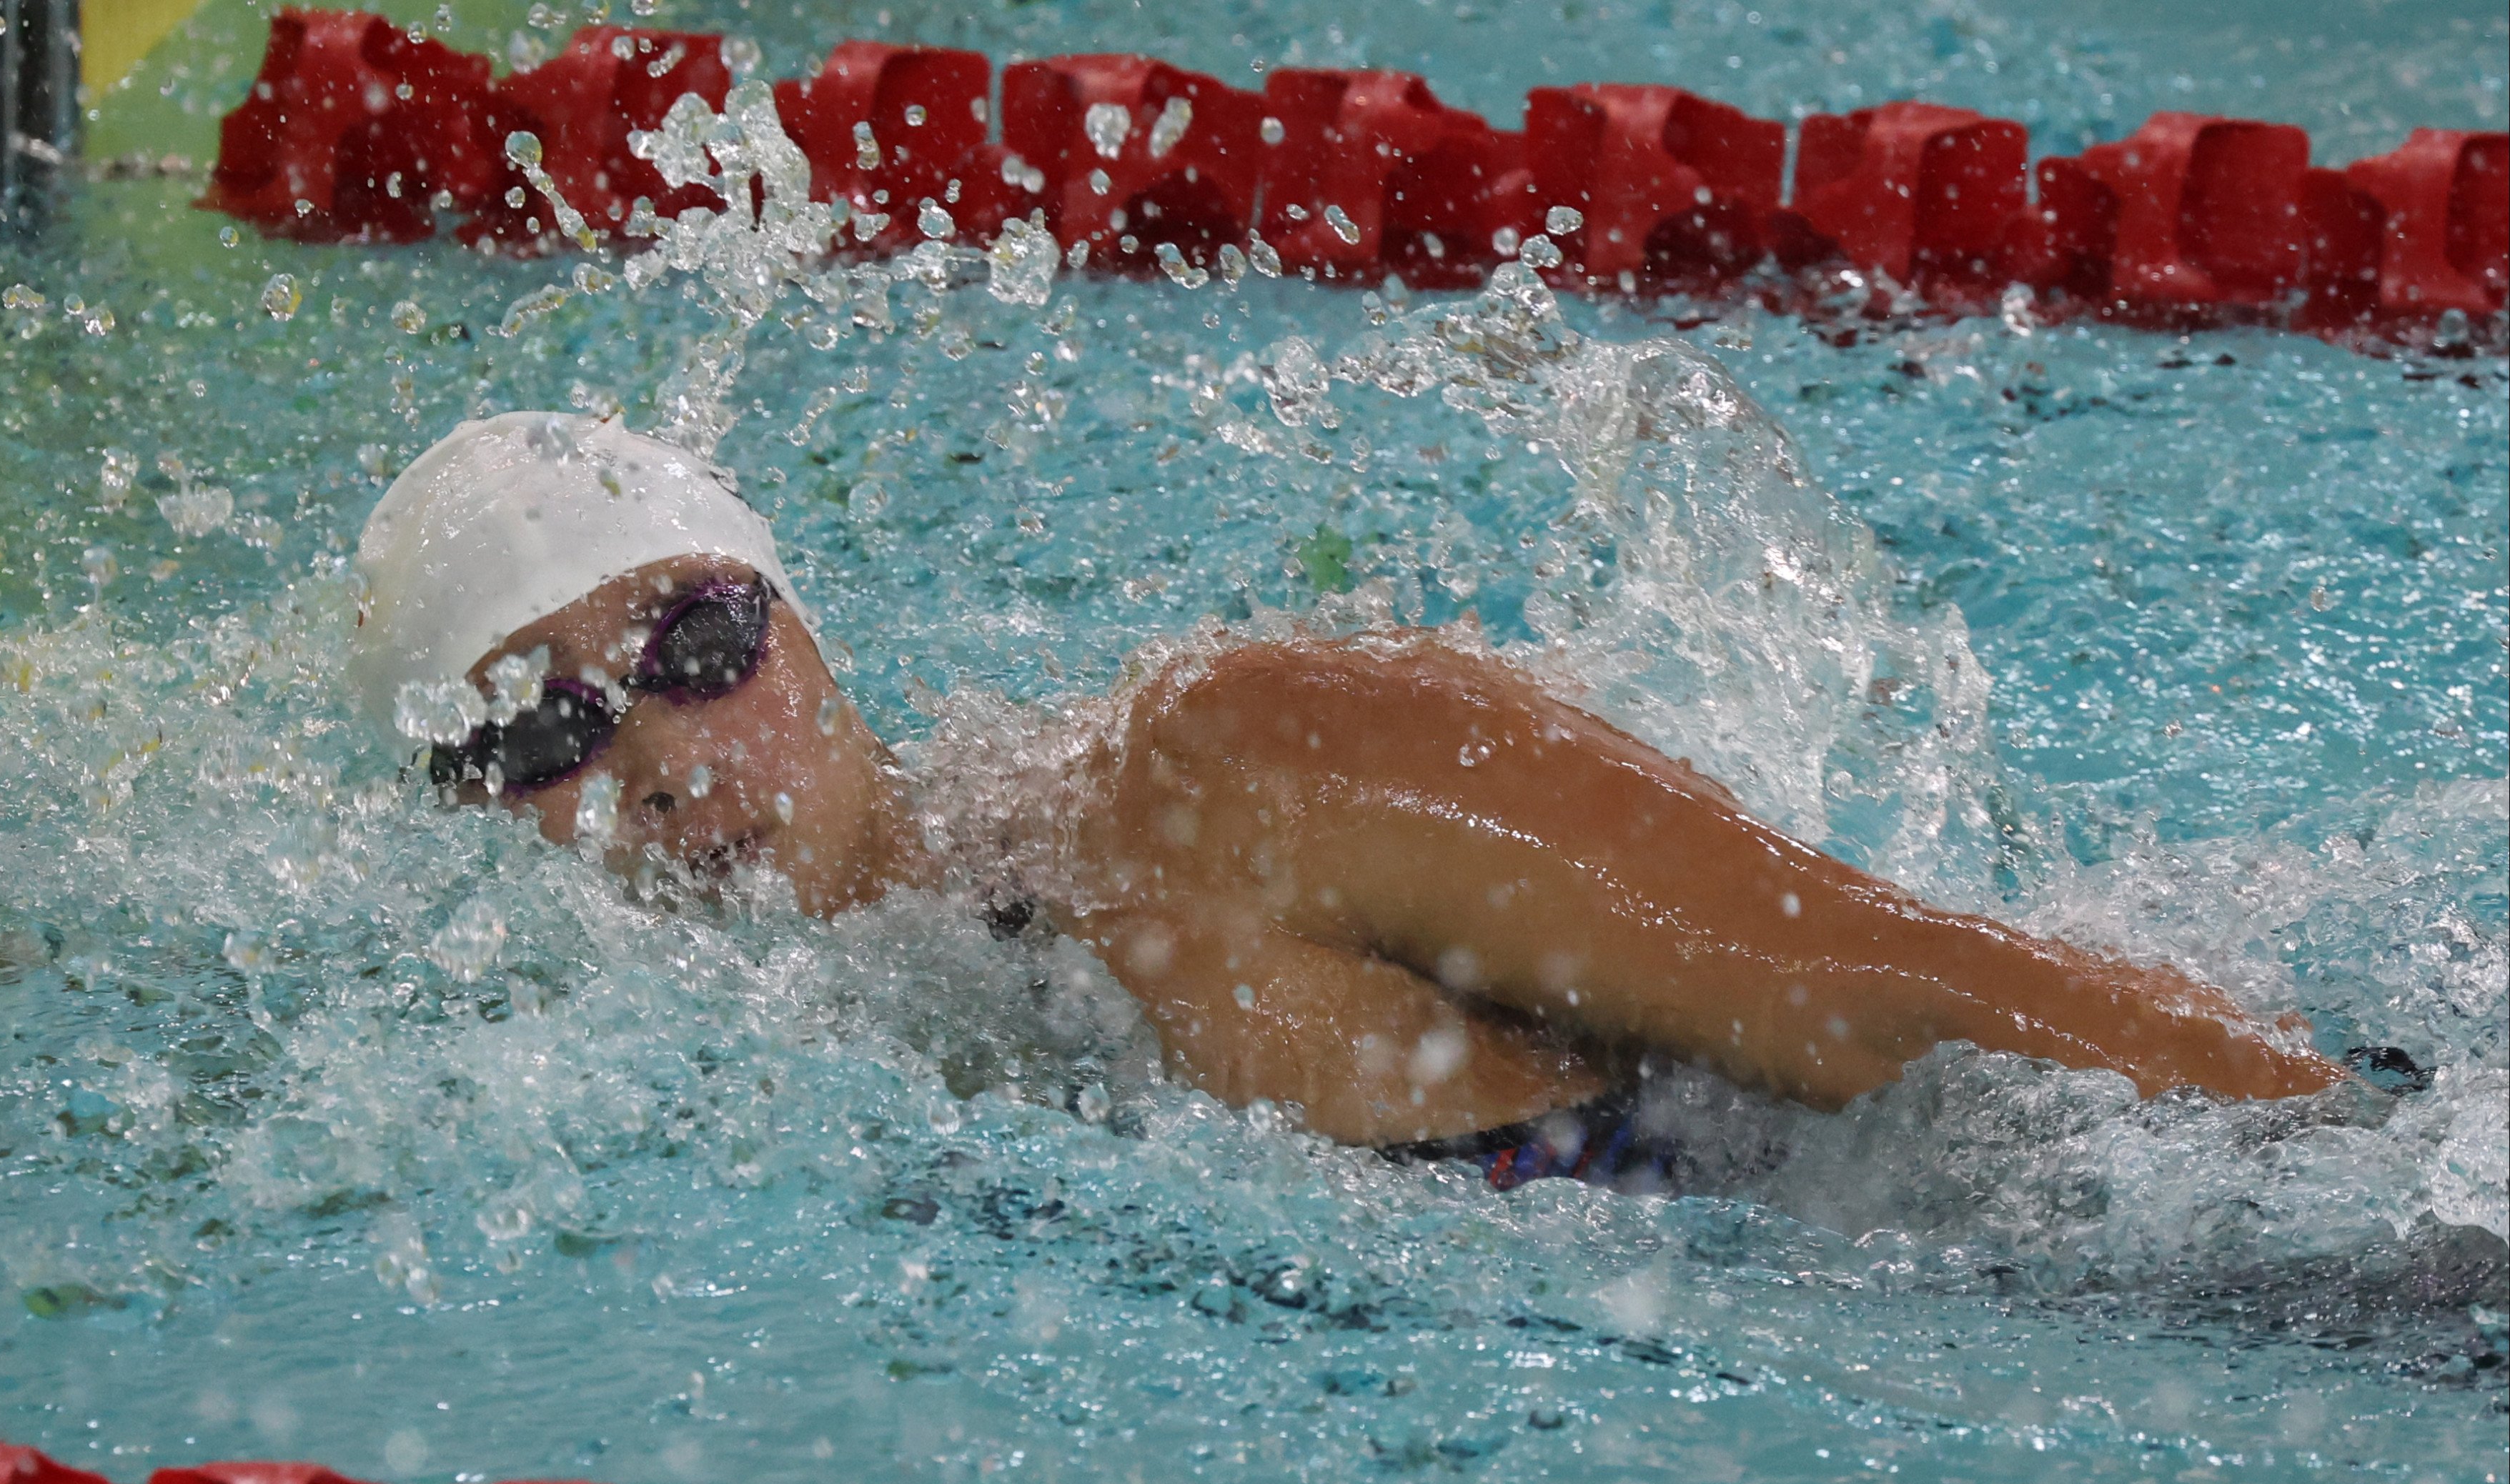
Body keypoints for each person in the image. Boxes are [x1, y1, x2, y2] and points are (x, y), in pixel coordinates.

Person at [353, 412, 2343, 1190]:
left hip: (2192, 1255)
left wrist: (2353, 1166)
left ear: (806, 623)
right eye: (541, 736)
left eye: (698, 642)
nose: (667, 758)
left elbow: (1889, 981)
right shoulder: (746, 1074)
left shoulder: (1230, 772)